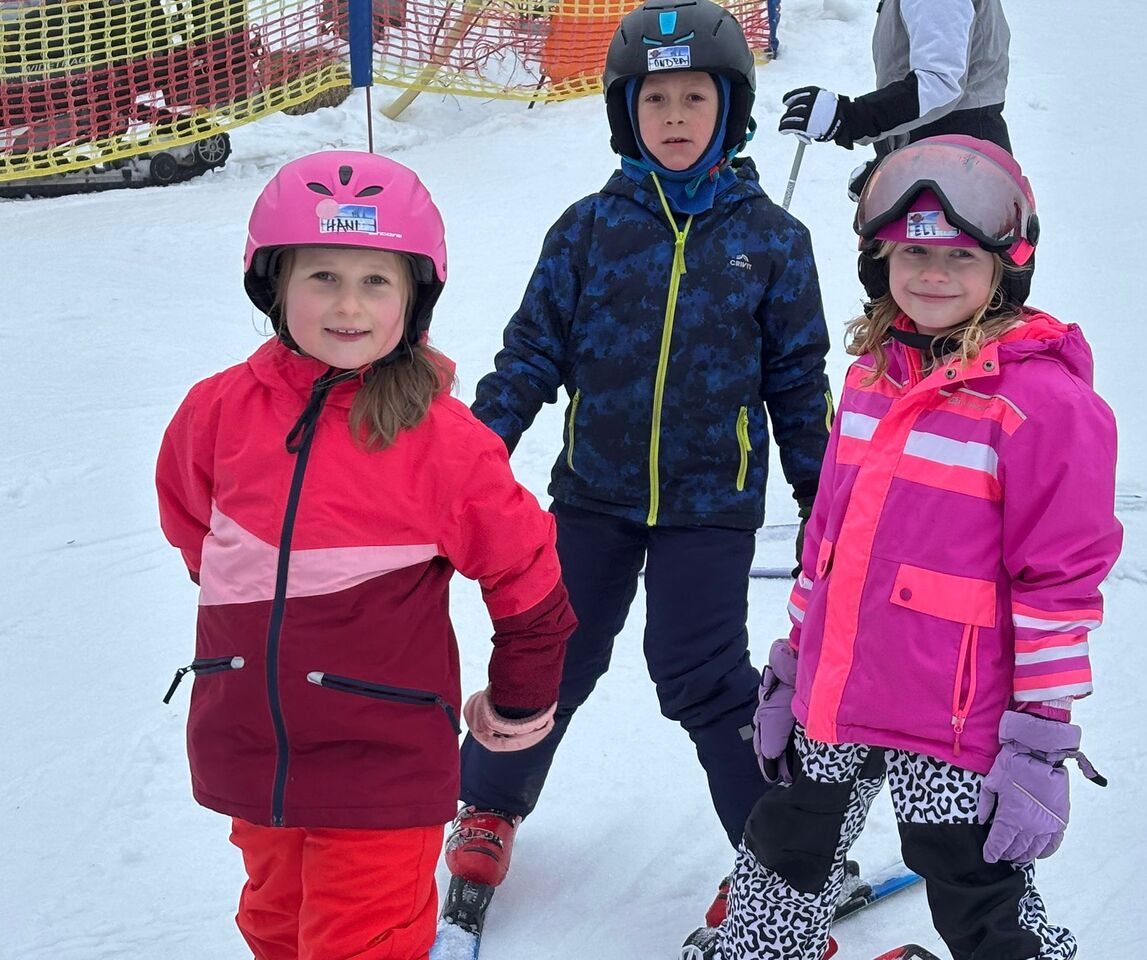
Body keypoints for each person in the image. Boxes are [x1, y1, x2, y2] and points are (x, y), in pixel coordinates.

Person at [444, 0, 832, 931]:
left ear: (730, 109)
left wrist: (826, 504)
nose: (674, 116)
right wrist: (463, 462)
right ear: (627, 112)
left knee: (704, 673)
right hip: (595, 495)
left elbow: (798, 385)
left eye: (694, 97)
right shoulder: (587, 231)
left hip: (710, 506)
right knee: (554, 652)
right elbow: (529, 357)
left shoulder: (773, 242)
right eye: (655, 99)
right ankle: (488, 805)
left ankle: (776, 858)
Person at [685, 135, 1123, 960]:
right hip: (840, 684)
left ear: (1005, 268)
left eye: (961, 256)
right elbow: (827, 542)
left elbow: (1059, 587)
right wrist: (795, 659)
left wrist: (1039, 733)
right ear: (879, 259)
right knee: (787, 840)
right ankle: (759, 949)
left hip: (956, 711)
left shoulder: (1041, 406)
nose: (934, 275)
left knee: (968, 873)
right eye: (915, 252)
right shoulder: (868, 380)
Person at [155, 150, 577, 960]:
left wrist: (520, 702)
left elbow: (527, 574)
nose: (348, 305)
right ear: (274, 284)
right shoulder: (215, 413)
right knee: (274, 928)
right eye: (323, 276)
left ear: (413, 298)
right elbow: (193, 532)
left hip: (381, 763)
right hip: (254, 752)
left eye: (375, 281)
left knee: (358, 945)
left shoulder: (444, 442)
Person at [777, 0, 1014, 197]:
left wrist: (849, 118)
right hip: (940, 157)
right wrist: (890, 161)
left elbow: (939, 84)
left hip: (959, 167)